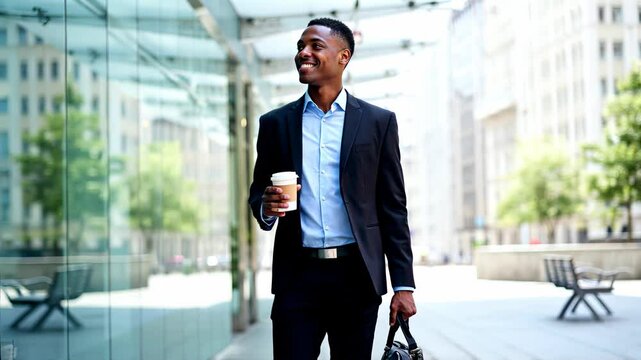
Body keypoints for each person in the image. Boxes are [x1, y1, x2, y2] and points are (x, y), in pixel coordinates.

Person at [248, 17, 416, 359]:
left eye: (315, 46)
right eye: (300, 47)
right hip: (297, 278)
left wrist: (403, 284)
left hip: (356, 277)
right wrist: (266, 207)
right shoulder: (274, 124)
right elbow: (257, 193)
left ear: (344, 57)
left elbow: (393, 207)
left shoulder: (378, 122)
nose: (303, 53)